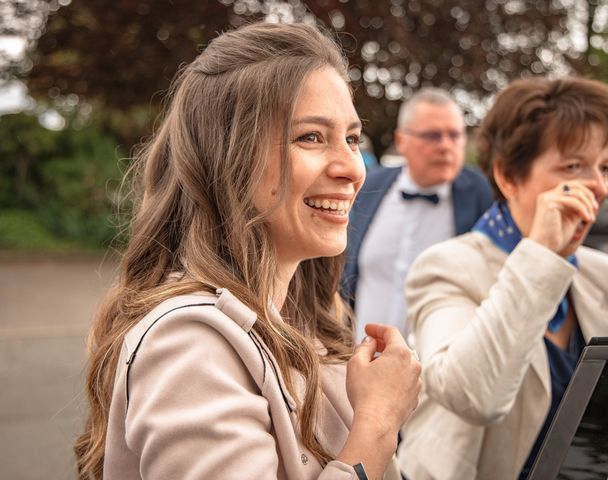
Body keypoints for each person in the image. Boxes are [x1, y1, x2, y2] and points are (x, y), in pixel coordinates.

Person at [73, 22, 422, 480]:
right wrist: (377, 423)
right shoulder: (189, 346)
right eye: (311, 137)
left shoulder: (304, 324)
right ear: (228, 157)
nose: (351, 169)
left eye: (352, 138)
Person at [397, 77, 608, 480]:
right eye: (573, 167)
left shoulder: (599, 275)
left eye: (604, 167)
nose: (598, 187)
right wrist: (541, 254)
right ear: (509, 177)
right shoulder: (446, 266)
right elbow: (474, 395)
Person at [342, 88, 493, 342]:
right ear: (401, 141)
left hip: (436, 370)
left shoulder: (482, 195)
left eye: (455, 135)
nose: (446, 146)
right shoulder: (368, 187)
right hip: (355, 360)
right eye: (432, 136)